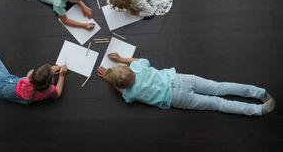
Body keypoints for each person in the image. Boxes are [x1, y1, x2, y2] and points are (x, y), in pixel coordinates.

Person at [97, 53, 275, 116]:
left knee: (217, 104)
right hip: (179, 79)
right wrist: (121, 59)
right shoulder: (138, 67)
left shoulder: (129, 94)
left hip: (177, 98)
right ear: (127, 68)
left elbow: (122, 92)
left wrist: (109, 80)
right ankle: (259, 92)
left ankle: (258, 110)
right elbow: (139, 59)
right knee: (218, 87)